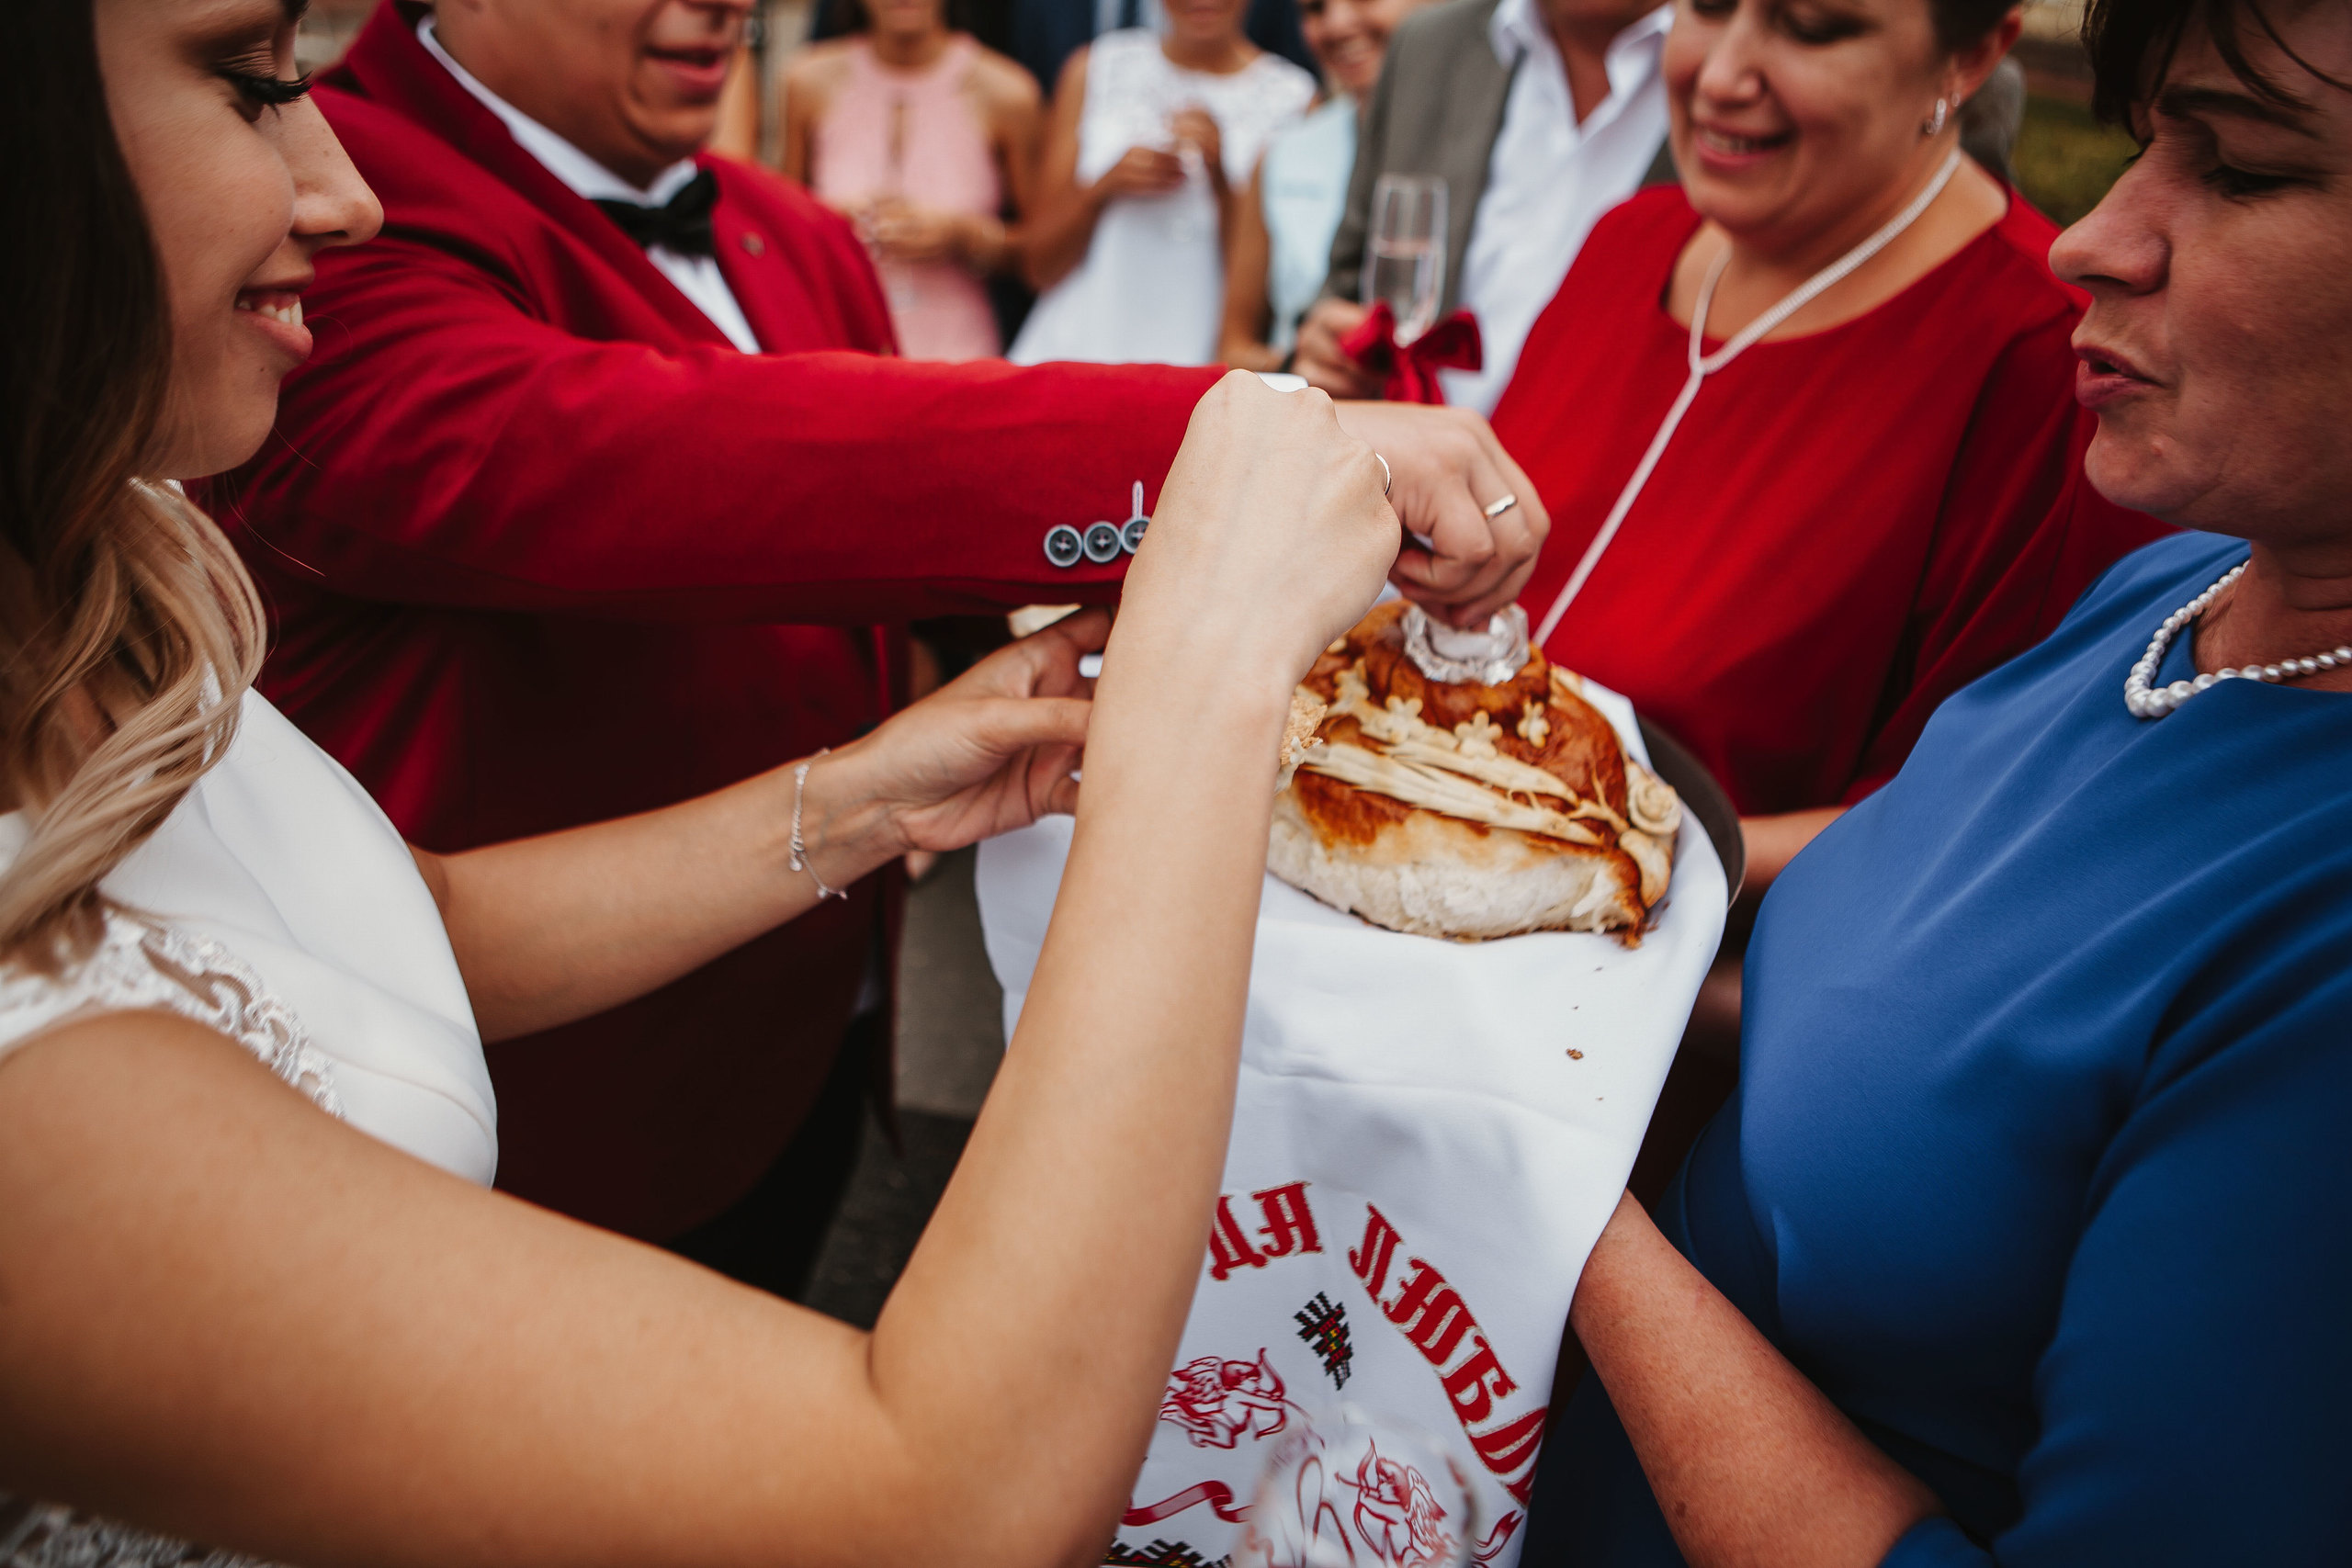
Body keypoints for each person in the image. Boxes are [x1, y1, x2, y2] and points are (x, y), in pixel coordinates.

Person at [0, 1, 1401, 1561]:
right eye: (258, 87)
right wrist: (1203, 665)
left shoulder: (96, 583)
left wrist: (865, 793)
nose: (339, 190)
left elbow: (365, 917)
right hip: (582, 1155)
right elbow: (954, 1501)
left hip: (786, 1069)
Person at [207, 0, 1545, 1286]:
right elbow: (652, 460)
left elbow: (902, 536)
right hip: (544, 1099)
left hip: (821, 1033)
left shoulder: (793, 229)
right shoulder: (322, 208)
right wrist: (1238, 453)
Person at [1521, 0, 2352, 1560]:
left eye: (2238, 170)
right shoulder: (2166, 595)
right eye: (2147, 146)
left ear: (1961, 65)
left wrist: (1546, 1176)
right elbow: (1930, 1033)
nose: (2088, 241)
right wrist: (1513, 961)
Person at [1487, 0, 2166, 899]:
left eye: (1809, 27)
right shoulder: (1627, 240)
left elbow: (1981, 826)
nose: (1722, 75)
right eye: (1705, 7)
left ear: (1967, 58)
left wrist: (1590, 857)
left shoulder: (2049, 368)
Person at [1294, 0, 1675, 412]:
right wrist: (1329, 354)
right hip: (1403, 460)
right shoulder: (1431, 46)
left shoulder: (1725, 75)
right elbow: (1347, 291)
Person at [1009, 0, 1317, 364]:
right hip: (1077, 348)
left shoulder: (1295, 98)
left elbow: (1278, 292)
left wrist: (1221, 183)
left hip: (1199, 358)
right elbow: (1037, 265)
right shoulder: (1096, 68)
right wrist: (1103, 187)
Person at [784, 0, 1039, 359]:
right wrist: (834, 226)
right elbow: (781, 234)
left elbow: (1042, 256)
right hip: (838, 349)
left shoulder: (1008, 92)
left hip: (957, 354)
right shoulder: (807, 82)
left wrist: (962, 235)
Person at [1218, 0, 1432, 369]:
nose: (1336, 25)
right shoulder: (1284, 155)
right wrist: (1299, 364)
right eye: (1314, 9)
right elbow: (1234, 346)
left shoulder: (1489, 144)